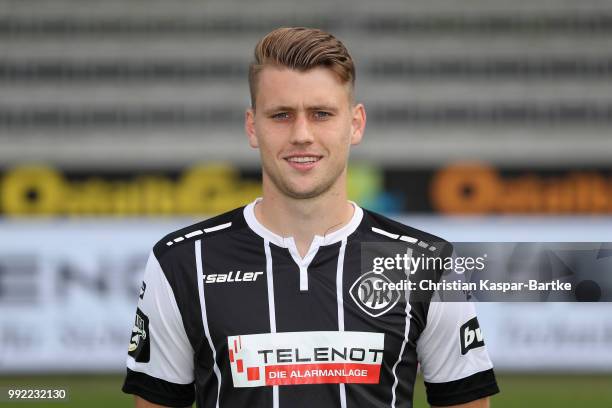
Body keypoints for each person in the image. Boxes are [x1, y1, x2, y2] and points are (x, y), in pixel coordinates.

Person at [122, 27, 499, 408]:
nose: (302, 134)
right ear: (253, 126)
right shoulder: (183, 262)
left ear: (355, 124)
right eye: (281, 115)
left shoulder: (426, 263)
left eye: (321, 114)